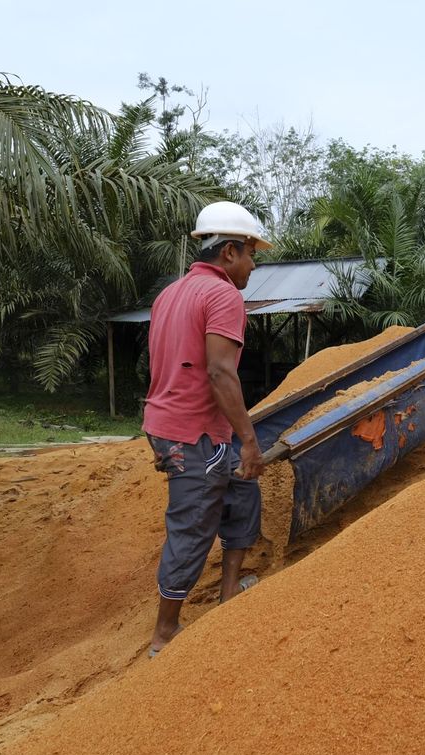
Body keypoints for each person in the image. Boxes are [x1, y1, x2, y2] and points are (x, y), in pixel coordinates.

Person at [142, 201, 272, 658]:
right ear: (230, 252)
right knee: (193, 525)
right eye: (252, 254)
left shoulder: (171, 293)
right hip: (192, 433)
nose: (254, 265)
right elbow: (220, 372)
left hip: (173, 425)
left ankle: (229, 589)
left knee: (241, 491)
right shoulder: (223, 296)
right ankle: (165, 634)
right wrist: (251, 440)